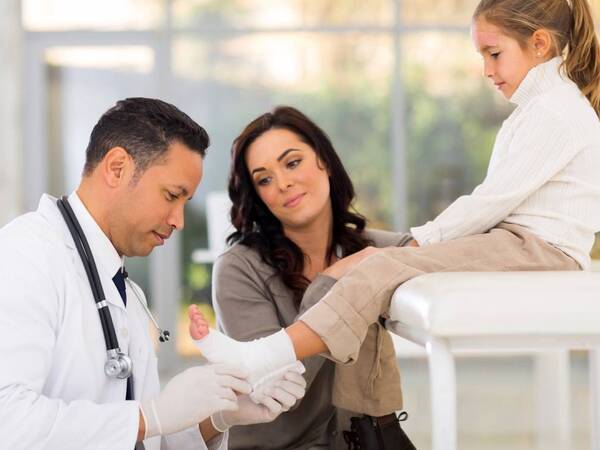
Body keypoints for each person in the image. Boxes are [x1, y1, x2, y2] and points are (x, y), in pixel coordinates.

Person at [190, 0, 600, 422]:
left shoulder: (555, 112)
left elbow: (492, 200)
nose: (486, 70)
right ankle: (362, 426)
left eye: (493, 54)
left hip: (538, 250)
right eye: (264, 179)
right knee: (377, 264)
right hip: (525, 243)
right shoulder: (539, 112)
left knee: (378, 266)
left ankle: (267, 356)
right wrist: (398, 253)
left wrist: (421, 241)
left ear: (540, 44)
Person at [0, 97, 306, 450]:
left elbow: (149, 442)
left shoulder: (127, 294)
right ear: (117, 168)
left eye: (184, 202)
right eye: (171, 196)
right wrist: (149, 416)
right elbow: (8, 421)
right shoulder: (24, 255)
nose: (178, 220)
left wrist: (220, 415)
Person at [189, 106, 412, 449]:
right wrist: (331, 282)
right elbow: (276, 389)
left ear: (323, 159)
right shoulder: (238, 269)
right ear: (258, 195)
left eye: (292, 163)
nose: (283, 183)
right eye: (264, 179)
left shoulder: (366, 250)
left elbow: (442, 250)